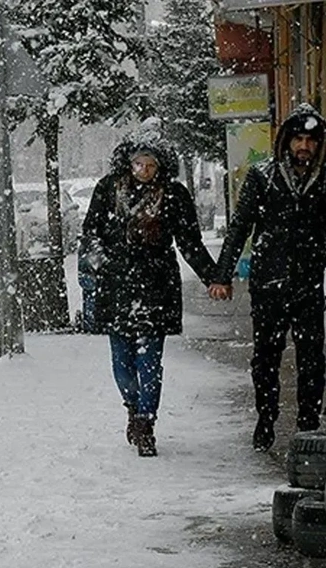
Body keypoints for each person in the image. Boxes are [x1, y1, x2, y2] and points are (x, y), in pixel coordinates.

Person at [82, 122, 224, 456]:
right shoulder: (107, 189)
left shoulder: (174, 195)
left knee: (150, 360)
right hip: (116, 287)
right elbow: (89, 235)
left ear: (160, 165)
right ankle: (132, 407)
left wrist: (212, 276)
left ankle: (147, 422)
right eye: (138, 164)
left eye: (150, 165)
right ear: (127, 162)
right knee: (121, 361)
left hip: (155, 286)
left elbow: (190, 242)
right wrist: (103, 264)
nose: (144, 170)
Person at [214, 103, 326, 452]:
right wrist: (223, 274)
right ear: (286, 141)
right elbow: (240, 227)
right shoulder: (263, 176)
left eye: (310, 140)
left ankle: (308, 423)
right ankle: (266, 418)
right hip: (269, 283)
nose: (303, 146)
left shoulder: (323, 180)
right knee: (266, 356)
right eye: (297, 139)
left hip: (309, 282)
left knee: (312, 357)